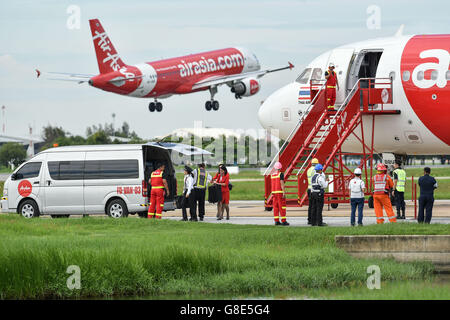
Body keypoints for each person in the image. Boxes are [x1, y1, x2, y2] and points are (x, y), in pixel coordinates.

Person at [271, 162, 289, 226]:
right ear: (280, 168)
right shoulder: (280, 174)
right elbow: (282, 184)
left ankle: (276, 221)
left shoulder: (272, 175)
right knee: (282, 207)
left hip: (274, 193)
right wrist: (284, 192)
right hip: (279, 193)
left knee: (275, 207)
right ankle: (284, 221)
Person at [307, 158, 319, 225]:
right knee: (315, 205)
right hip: (313, 189)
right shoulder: (315, 170)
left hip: (309, 188)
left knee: (310, 205)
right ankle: (314, 220)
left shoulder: (308, 169)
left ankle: (309, 219)